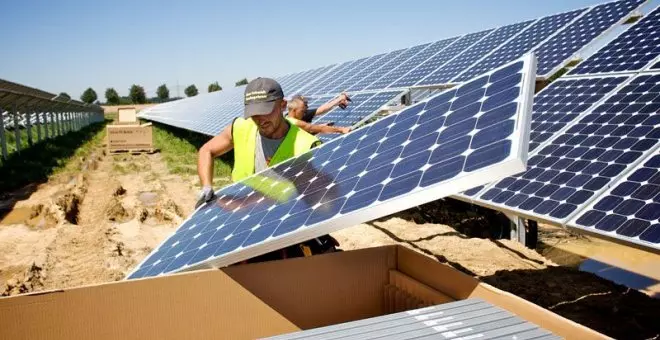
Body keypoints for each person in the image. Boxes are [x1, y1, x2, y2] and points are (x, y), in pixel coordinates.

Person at [196, 77, 339, 262]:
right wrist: (206, 186)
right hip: (242, 224)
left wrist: (246, 203)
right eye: (254, 114)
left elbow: (306, 201)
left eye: (265, 112)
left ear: (282, 105)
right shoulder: (241, 128)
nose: (260, 120)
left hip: (283, 230)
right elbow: (206, 150)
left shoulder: (307, 145)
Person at [286, 93, 353, 135]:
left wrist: (319, 128)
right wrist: (341, 129)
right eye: (305, 104)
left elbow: (302, 133)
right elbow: (316, 128)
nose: (307, 107)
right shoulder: (293, 122)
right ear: (294, 110)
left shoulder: (287, 120)